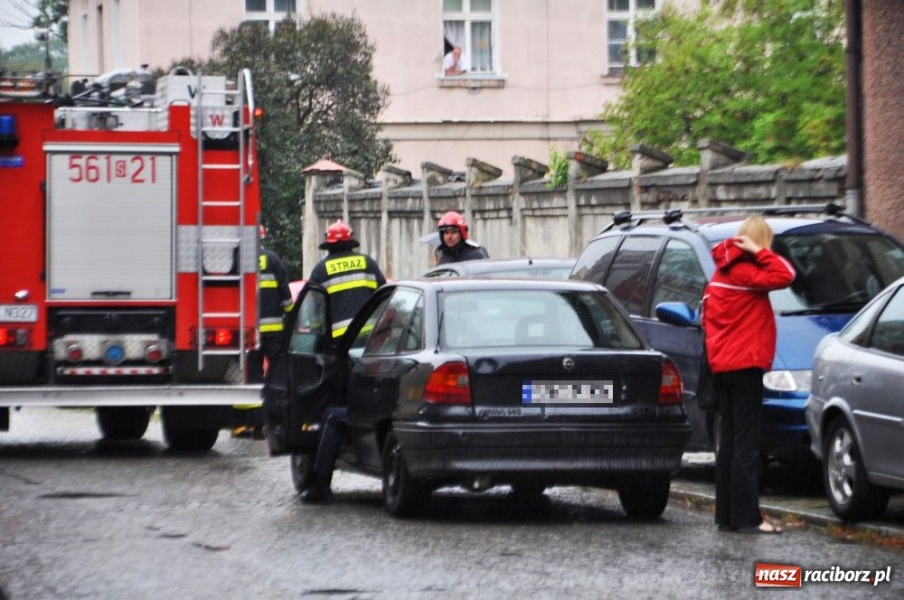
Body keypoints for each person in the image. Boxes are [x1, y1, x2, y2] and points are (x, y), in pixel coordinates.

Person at [701, 216, 795, 535]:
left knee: (727, 441)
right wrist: (759, 251)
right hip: (745, 366)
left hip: (722, 367)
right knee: (746, 443)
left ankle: (726, 516)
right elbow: (786, 274)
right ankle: (748, 518)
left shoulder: (718, 275)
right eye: (765, 242)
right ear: (757, 242)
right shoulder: (746, 273)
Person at [301, 220, 387, 504]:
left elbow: (312, 315)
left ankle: (320, 484)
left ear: (329, 244)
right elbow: (386, 301)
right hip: (373, 351)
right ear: (351, 243)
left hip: (340, 353)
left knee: (333, 415)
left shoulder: (322, 269)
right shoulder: (368, 264)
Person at [234, 225, 294, 439]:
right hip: (274, 331)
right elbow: (286, 296)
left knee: (254, 376)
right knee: (278, 375)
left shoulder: (237, 259)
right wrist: (291, 314)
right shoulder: (273, 259)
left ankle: (255, 425)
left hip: (249, 332)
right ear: (263, 238)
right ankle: (276, 422)